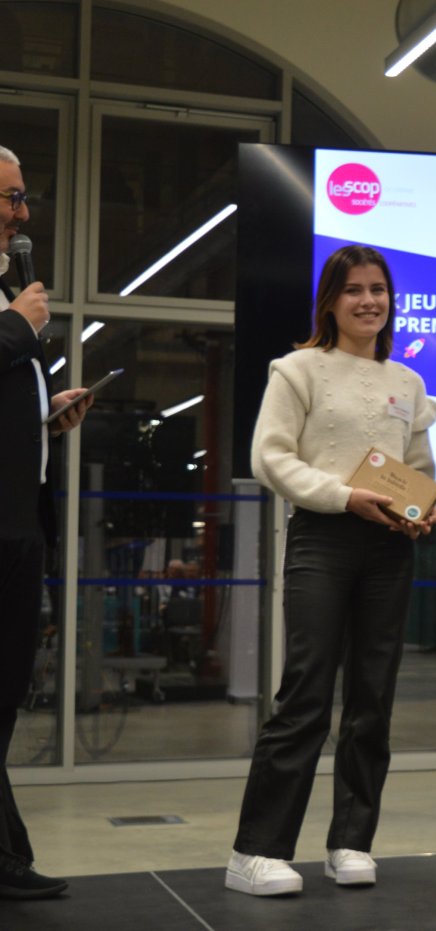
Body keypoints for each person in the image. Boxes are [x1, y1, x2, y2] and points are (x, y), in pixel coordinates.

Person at [225, 244, 436, 897]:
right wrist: (345, 496)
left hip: (388, 547)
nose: (368, 301)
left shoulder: (408, 383)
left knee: (372, 700)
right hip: (322, 537)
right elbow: (270, 458)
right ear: (331, 301)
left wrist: (421, 509)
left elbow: (419, 470)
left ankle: (351, 842)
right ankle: (256, 852)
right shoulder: (298, 370)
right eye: (354, 290)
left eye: (378, 289)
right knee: (307, 693)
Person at [0, 144, 91, 900]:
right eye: (10, 197)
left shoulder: (7, 295)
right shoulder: (14, 314)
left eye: (23, 197)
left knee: (6, 690)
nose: (22, 212)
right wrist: (17, 330)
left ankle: (6, 856)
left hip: (17, 520)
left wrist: (46, 415)